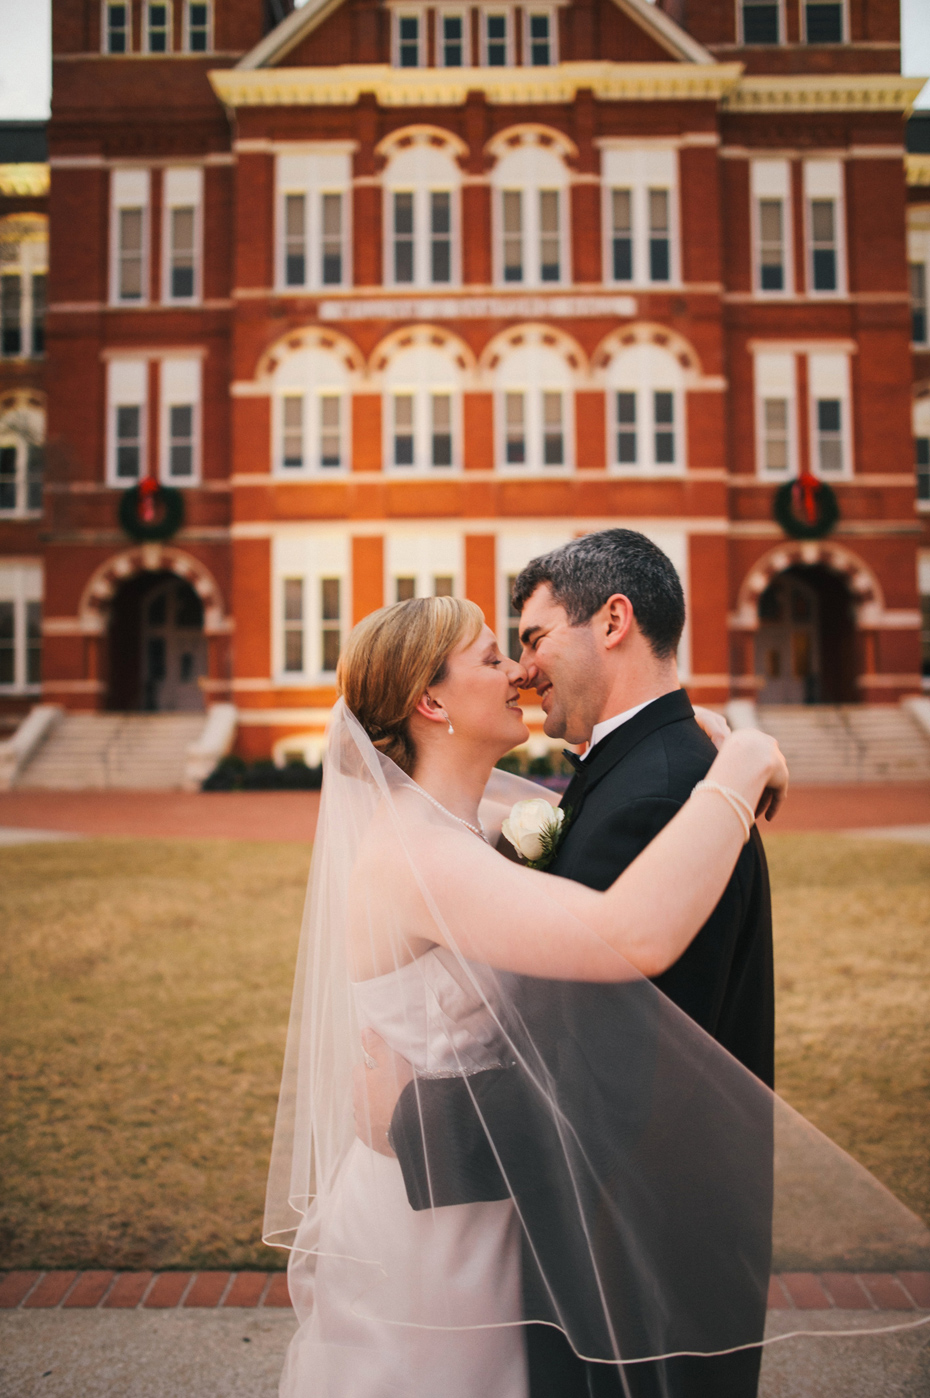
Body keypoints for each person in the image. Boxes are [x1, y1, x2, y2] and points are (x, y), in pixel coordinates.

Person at [265, 579, 789, 1398]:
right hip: (431, 1227)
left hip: (489, 1192)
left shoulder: (477, 822)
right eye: (491, 655)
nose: (519, 670)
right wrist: (747, 760)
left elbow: (605, 812)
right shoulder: (416, 857)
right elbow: (633, 933)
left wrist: (701, 739)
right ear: (430, 704)